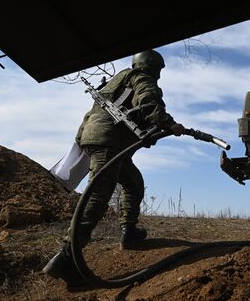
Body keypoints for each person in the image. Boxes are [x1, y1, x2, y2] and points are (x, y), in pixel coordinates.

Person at [43, 49, 185, 288]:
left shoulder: (117, 81)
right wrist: (170, 124)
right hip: (109, 142)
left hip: (97, 138)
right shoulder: (141, 78)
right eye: (158, 69)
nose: (158, 75)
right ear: (151, 66)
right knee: (97, 196)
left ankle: (129, 232)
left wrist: (83, 142)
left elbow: (96, 114)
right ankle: (67, 257)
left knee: (133, 182)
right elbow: (148, 102)